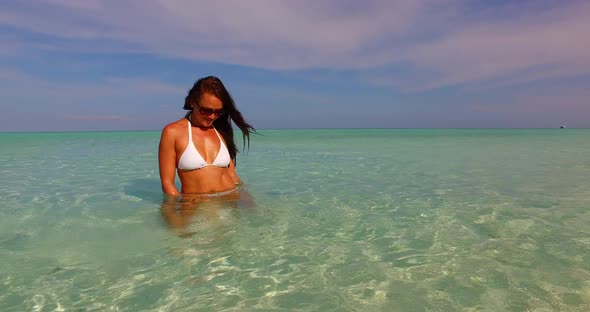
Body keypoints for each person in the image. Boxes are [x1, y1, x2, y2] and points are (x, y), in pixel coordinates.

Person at [158, 76, 255, 196]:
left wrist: (248, 201)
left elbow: (232, 176)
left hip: (229, 203)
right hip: (196, 207)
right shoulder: (173, 132)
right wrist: (176, 212)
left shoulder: (220, 132)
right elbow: (167, 185)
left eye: (218, 112)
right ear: (193, 102)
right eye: (206, 110)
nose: (212, 116)